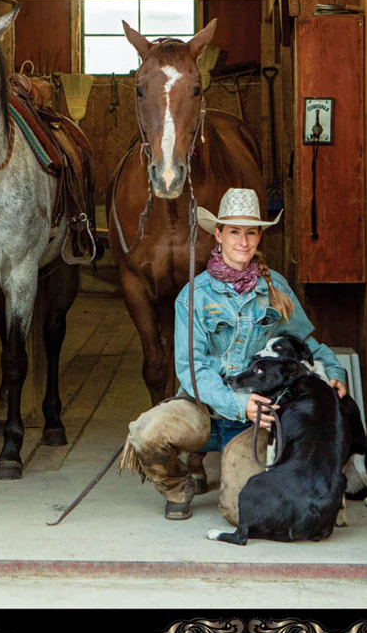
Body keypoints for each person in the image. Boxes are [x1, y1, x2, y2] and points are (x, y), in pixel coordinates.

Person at [121, 188, 348, 521]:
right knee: (145, 433)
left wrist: (334, 371)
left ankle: (237, 472)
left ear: (259, 237)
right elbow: (192, 370)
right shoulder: (193, 297)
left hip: (255, 421)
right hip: (203, 411)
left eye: (251, 232)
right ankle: (176, 485)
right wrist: (236, 403)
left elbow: (308, 344)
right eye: (234, 232)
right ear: (218, 235)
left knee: (240, 512)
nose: (243, 241)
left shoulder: (276, 289)